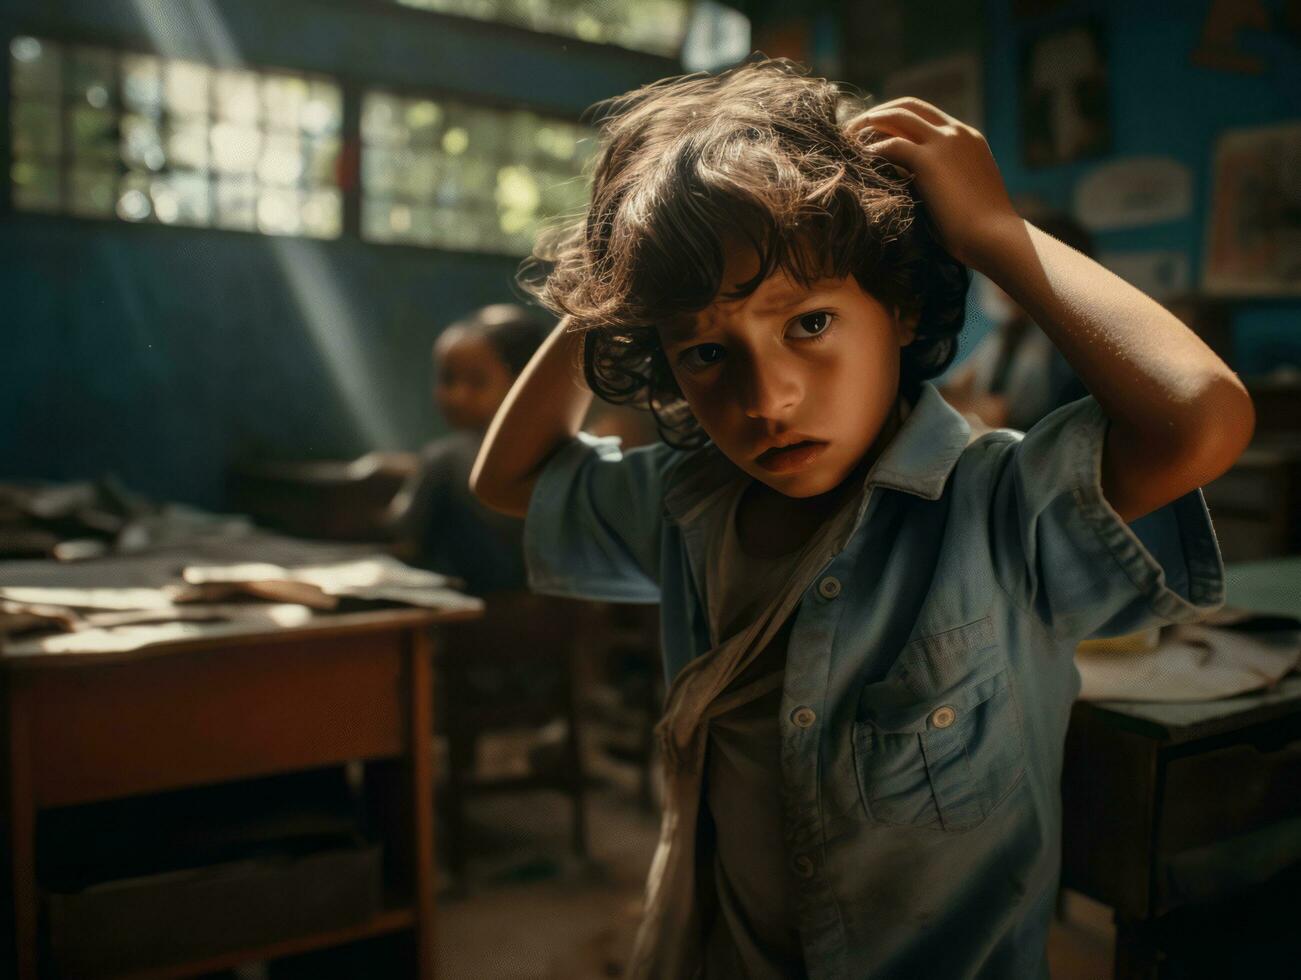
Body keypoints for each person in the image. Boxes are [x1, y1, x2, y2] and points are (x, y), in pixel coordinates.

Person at [471, 59, 1253, 979]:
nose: (767, 398)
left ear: (900, 306)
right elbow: (508, 478)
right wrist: (619, 279)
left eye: (807, 324)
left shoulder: (995, 509)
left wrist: (997, 233)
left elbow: (1200, 419)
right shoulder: (689, 505)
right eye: (705, 352)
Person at [388, 303, 549, 595]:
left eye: (476, 382)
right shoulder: (560, 455)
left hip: (466, 624)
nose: (457, 396)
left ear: (522, 383)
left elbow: (402, 538)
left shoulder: (444, 460)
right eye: (448, 379)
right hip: (547, 626)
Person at [942, 212, 1093, 433]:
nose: (995, 280)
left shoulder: (1069, 346)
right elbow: (948, 393)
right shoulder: (1007, 333)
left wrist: (977, 406)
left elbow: (1002, 415)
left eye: (1010, 265)